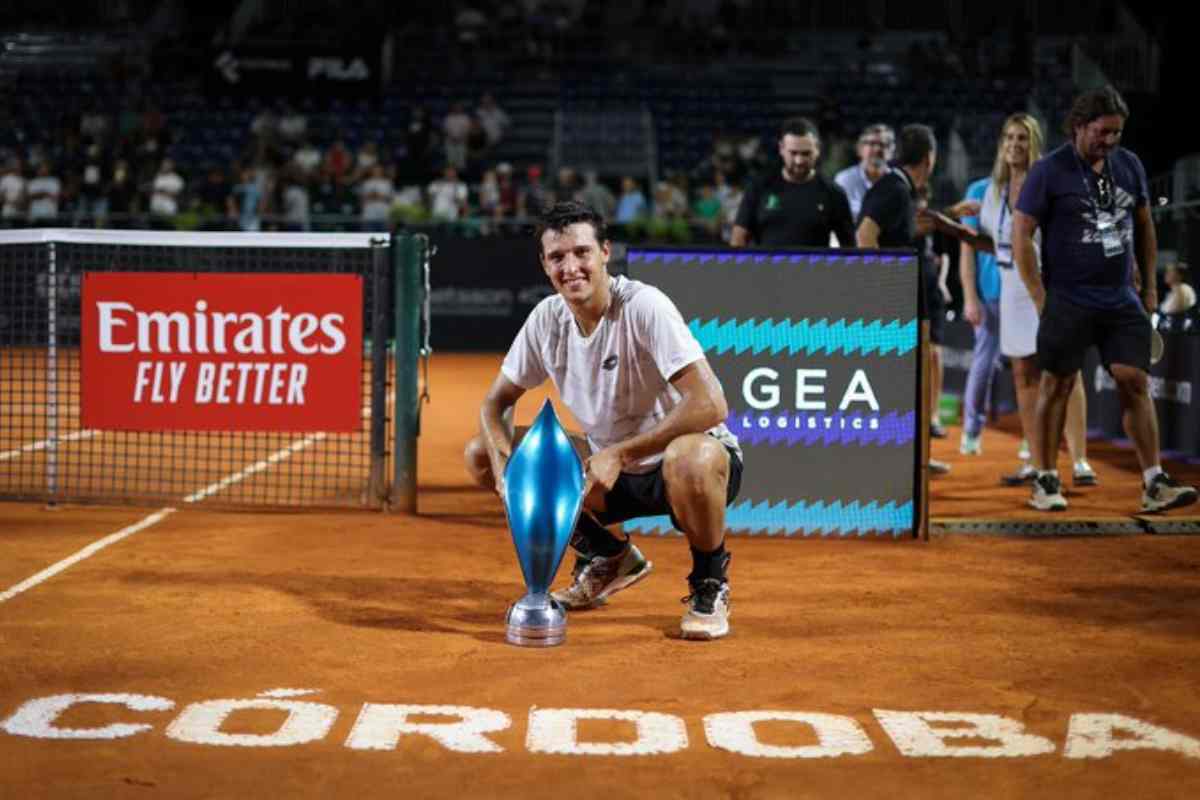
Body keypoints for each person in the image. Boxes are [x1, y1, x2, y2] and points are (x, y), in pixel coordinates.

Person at [464, 201, 744, 641]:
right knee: (481, 454)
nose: (570, 267)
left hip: (684, 467)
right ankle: (610, 557)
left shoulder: (644, 306)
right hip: (608, 473)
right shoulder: (546, 319)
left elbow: (711, 404)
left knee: (691, 456)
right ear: (544, 263)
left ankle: (709, 581)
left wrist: (620, 453)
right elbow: (493, 405)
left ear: (605, 253)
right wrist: (505, 475)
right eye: (557, 257)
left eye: (581, 253)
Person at [1013, 86, 1196, 513]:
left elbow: (1146, 228)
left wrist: (1150, 287)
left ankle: (1154, 482)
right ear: (1079, 126)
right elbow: (1022, 234)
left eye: (1117, 133)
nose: (1110, 141)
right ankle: (1044, 477)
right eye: (1102, 132)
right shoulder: (1049, 170)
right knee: (1056, 384)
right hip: (1068, 298)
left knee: (1134, 380)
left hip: (1120, 299)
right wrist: (1040, 295)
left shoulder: (1129, 165)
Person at [964, 113, 1094, 486]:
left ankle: (1081, 461)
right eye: (1008, 138)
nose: (1014, 145)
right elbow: (990, 243)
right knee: (1024, 374)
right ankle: (1038, 462)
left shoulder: (1051, 182)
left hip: (1050, 284)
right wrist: (950, 226)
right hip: (1011, 289)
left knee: (1066, 371)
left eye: (1022, 138)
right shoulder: (992, 190)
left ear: (1033, 143)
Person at [855, 123, 951, 474]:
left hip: (906, 298)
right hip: (896, 303)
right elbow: (865, 236)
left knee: (908, 383)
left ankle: (914, 459)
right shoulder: (894, 189)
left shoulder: (899, 189)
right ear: (929, 158)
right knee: (899, 383)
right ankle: (900, 461)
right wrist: (884, 293)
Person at [731, 117, 855, 248]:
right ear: (781, 149)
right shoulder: (758, 187)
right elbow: (739, 237)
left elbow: (848, 246)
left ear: (817, 149)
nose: (799, 160)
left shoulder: (834, 193)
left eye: (806, 153)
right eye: (793, 153)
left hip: (816, 268)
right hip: (767, 268)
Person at [834, 123, 895, 220]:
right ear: (859, 149)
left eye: (883, 144)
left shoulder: (898, 182)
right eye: (871, 143)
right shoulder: (844, 179)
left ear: (892, 151)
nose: (877, 149)